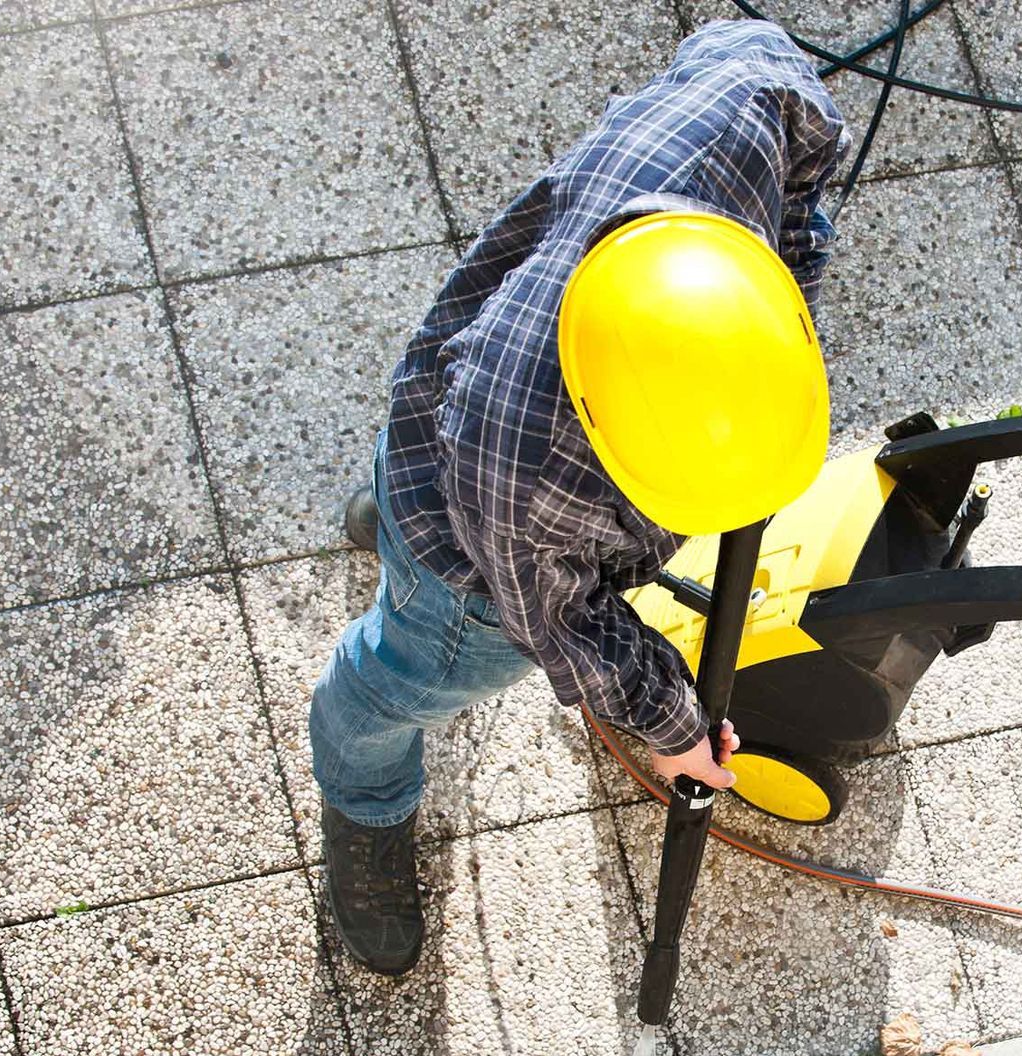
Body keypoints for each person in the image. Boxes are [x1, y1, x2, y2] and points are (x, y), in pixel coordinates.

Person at [307, 18, 847, 975]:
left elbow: (763, 66)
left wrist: (786, 267)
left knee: (414, 492)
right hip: (471, 569)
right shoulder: (534, 486)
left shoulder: (733, 122)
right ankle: (366, 801)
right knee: (394, 679)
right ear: (610, 445)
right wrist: (676, 730)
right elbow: (563, 623)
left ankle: (389, 516)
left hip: (440, 412)